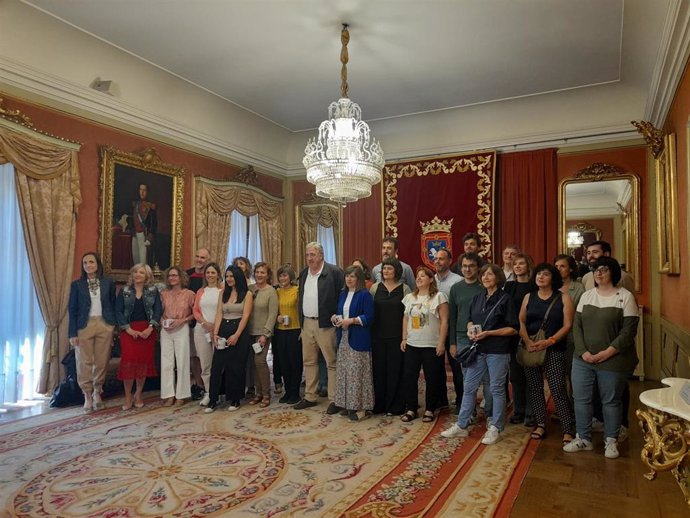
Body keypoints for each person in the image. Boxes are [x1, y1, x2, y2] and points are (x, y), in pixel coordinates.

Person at [564, 257, 639, 459]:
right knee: (581, 399)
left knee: (611, 401)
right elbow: (577, 328)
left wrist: (607, 352)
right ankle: (584, 438)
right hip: (583, 359)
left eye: (603, 269)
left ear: (613, 272)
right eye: (595, 269)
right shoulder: (587, 296)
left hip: (613, 360)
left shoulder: (625, 297)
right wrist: (583, 352)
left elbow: (628, 331)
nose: (598, 273)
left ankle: (611, 441)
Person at [442, 264, 518, 445]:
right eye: (483, 275)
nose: (485, 278)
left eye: (489, 275)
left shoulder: (506, 299)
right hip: (478, 348)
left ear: (498, 278)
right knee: (469, 387)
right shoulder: (478, 298)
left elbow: (513, 328)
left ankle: (495, 427)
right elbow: (470, 319)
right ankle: (461, 425)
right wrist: (470, 330)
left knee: (496, 389)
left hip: (497, 351)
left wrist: (490, 333)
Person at [519, 263, 575, 445]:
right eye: (538, 274)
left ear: (553, 278)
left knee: (557, 388)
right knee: (535, 388)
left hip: (554, 348)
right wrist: (527, 341)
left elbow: (567, 325)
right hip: (532, 348)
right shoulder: (529, 297)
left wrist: (550, 341)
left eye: (545, 274)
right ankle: (541, 423)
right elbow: (520, 321)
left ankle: (567, 428)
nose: (540, 277)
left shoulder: (563, 298)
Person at [295, 241, 344, 413]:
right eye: (307, 255)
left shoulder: (334, 272)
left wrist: (337, 318)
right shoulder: (303, 274)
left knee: (332, 362)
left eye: (312, 255)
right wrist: (302, 324)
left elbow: (342, 296)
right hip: (307, 323)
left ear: (321, 256)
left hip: (326, 324)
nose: (309, 258)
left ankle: (335, 399)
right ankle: (310, 396)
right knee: (309, 361)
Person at [68, 252, 117, 412]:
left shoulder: (108, 282)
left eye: (91, 262)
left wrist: (112, 326)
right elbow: (72, 310)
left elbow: (112, 304)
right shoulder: (77, 285)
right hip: (84, 325)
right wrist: (72, 333)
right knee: (84, 361)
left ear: (97, 264)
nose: (88, 265)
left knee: (102, 361)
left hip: (104, 324)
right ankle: (87, 395)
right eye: (85, 263)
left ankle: (98, 392)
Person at [400, 266, 448, 424]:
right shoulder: (409, 297)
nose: (419, 278)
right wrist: (404, 338)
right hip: (413, 344)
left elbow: (444, 321)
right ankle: (411, 408)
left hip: (431, 344)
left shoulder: (439, 297)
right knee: (409, 377)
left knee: (432, 378)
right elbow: (406, 319)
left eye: (423, 276)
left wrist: (441, 343)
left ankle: (430, 408)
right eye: (417, 276)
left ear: (430, 279)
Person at [205, 265, 254, 412]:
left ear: (238, 277)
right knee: (217, 366)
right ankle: (213, 400)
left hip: (239, 330)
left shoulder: (247, 294)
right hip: (223, 329)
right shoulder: (223, 293)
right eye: (227, 276)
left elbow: (245, 316)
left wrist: (237, 335)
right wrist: (215, 333)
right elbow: (219, 314)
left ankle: (235, 399)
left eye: (231, 276)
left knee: (236, 366)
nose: (229, 279)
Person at [115, 263, 162, 410]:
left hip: (147, 331)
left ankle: (139, 394)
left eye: (141, 272)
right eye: (135, 272)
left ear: (147, 276)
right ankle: (128, 396)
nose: (137, 275)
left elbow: (158, 310)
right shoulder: (124, 290)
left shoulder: (154, 291)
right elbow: (118, 311)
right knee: (128, 363)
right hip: (128, 331)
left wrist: (150, 328)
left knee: (142, 363)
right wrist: (128, 329)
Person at [333, 265, 375, 420]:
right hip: (344, 338)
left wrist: (351, 321)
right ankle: (348, 404)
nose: (349, 279)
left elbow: (369, 317)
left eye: (352, 276)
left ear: (359, 279)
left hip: (358, 338)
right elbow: (342, 313)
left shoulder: (365, 295)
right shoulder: (343, 294)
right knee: (344, 373)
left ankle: (360, 407)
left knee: (357, 374)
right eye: (347, 276)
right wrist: (336, 317)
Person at [370, 257, 410, 415]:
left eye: (389, 269)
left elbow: (406, 315)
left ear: (397, 271)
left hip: (396, 337)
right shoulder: (374, 288)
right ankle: (379, 404)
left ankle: (395, 406)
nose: (386, 271)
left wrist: (404, 337)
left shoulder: (405, 289)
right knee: (378, 371)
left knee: (395, 371)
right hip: (377, 337)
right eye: (384, 268)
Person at [448, 252, 486, 414]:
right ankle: (469, 412)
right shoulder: (456, 288)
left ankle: (490, 412)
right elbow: (452, 317)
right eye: (464, 266)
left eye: (471, 266)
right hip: (462, 337)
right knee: (466, 378)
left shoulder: (484, 287)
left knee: (487, 378)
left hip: (484, 337)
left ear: (478, 268)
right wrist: (452, 343)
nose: (467, 269)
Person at [503, 253, 535, 426]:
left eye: (521, 263)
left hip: (531, 334)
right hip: (512, 335)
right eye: (515, 264)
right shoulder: (509, 286)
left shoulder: (534, 286)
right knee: (515, 376)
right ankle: (519, 410)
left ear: (528, 266)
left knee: (530, 375)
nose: (518, 266)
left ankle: (531, 412)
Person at [159, 266, 196, 406]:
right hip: (166, 329)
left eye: (174, 275)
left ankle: (182, 394)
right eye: (170, 276)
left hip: (182, 328)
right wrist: (162, 322)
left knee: (182, 361)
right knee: (167, 362)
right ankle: (168, 394)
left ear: (181, 277)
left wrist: (183, 320)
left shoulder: (189, 294)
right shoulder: (163, 294)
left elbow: (196, 313)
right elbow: (158, 312)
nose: (172, 278)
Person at [433, 247, 462, 409]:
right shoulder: (431, 280)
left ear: (450, 261)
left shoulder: (457, 280)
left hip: (452, 328)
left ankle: (460, 401)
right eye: (436, 259)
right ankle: (441, 400)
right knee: (436, 368)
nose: (438, 261)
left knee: (456, 367)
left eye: (441, 258)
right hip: (434, 329)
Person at [247, 262, 279, 408]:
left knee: (260, 362)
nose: (259, 275)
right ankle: (258, 393)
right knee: (253, 364)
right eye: (257, 272)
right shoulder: (250, 289)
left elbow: (272, 315)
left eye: (262, 272)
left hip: (262, 333)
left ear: (268, 275)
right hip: (248, 332)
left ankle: (266, 394)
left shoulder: (271, 291)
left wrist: (265, 334)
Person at [192, 262, 223, 407]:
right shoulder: (200, 291)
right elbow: (195, 311)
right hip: (201, 330)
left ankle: (219, 391)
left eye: (213, 272)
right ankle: (208, 393)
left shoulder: (222, 291)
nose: (210, 275)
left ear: (218, 274)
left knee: (219, 364)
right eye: (208, 273)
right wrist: (205, 324)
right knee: (205, 363)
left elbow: (222, 310)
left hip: (218, 331)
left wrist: (214, 328)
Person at [554, 253, 585, 392]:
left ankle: (574, 409)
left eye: (562, 266)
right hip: (553, 335)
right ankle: (563, 410)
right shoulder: (551, 286)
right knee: (556, 376)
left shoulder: (578, 287)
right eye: (556, 266)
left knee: (572, 373)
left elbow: (580, 314)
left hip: (572, 336)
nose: (559, 269)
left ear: (571, 269)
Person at [274, 264, 302, 404]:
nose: (282, 278)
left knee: (295, 362)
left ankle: (295, 393)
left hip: (295, 330)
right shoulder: (276, 292)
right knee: (283, 362)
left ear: (291, 277)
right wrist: (276, 317)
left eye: (285, 275)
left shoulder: (297, 290)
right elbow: (273, 310)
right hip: (280, 330)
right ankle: (287, 392)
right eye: (280, 275)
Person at [187, 247, 211, 400]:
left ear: (208, 260)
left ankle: (209, 385)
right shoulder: (187, 275)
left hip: (207, 321)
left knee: (207, 356)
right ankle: (199, 384)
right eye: (197, 256)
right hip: (190, 321)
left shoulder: (210, 276)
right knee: (194, 355)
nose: (199, 260)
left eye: (203, 258)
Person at [131, 183, 156, 265]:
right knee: (136, 260)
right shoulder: (135, 205)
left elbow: (153, 223)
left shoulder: (150, 207)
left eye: (144, 190)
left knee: (143, 262)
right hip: (135, 235)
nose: (142, 192)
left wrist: (149, 237)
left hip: (144, 235)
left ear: (147, 192)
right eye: (140, 190)